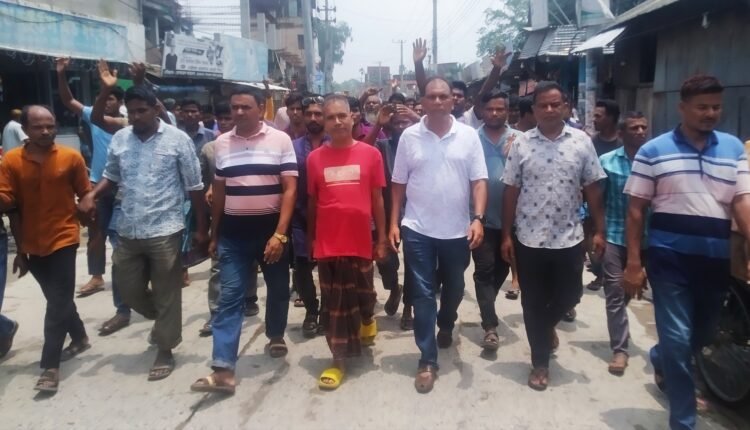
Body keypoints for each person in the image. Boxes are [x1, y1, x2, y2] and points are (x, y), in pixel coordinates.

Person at [623, 75, 750, 430]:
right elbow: (636, 210)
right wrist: (634, 262)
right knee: (679, 340)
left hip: (715, 258)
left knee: (704, 335)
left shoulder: (733, 149)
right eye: (702, 107)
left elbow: (742, 200)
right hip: (669, 258)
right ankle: (683, 420)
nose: (710, 113)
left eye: (716, 107)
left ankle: (660, 355)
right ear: (682, 108)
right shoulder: (653, 150)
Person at [79, 85, 208, 382]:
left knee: (167, 291)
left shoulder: (177, 140)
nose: (136, 117)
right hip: (128, 227)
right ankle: (164, 320)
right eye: (132, 112)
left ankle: (165, 348)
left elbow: (195, 187)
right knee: (128, 288)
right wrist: (92, 195)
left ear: (156, 109)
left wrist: (202, 229)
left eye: (142, 111)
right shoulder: (121, 138)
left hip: (165, 227)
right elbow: (111, 175)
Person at [500, 81, 606, 391]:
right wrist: (506, 235)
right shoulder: (521, 144)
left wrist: (600, 230)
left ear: (566, 107)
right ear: (533, 110)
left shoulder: (582, 142)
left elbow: (592, 188)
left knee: (571, 295)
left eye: (555, 104)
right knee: (532, 301)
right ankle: (540, 363)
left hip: (568, 237)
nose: (549, 110)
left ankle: (544, 327)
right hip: (529, 238)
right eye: (543, 105)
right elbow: (510, 190)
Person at [191, 88, 297, 395]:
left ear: (260, 108)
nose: (238, 112)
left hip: (271, 234)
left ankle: (275, 334)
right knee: (230, 297)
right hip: (233, 236)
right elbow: (219, 191)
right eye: (234, 107)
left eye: (245, 107)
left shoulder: (280, 140)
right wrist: (215, 234)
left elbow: (290, 188)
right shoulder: (221, 143)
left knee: (278, 289)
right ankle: (223, 368)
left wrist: (280, 234)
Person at [390, 77, 488, 393]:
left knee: (455, 286)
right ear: (423, 101)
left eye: (442, 96)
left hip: (457, 230)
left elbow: (479, 181)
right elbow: (398, 183)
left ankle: (446, 323)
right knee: (422, 293)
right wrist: (394, 222)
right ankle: (427, 359)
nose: (436, 101)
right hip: (417, 228)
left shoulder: (469, 136)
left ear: (452, 100)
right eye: (430, 96)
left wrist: (478, 218)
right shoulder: (409, 136)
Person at [0, 105, 92, 392]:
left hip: (64, 237)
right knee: (57, 298)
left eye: (50, 126)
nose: (46, 131)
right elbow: (7, 202)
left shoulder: (70, 157)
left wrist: (87, 204)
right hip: (31, 242)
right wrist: (21, 253)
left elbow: (85, 191)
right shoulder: (11, 161)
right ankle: (80, 337)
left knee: (56, 303)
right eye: (38, 127)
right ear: (25, 130)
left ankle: (50, 367)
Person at [307, 95, 388, 389]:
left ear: (353, 117)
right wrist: (312, 240)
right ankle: (338, 360)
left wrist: (381, 239)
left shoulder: (371, 154)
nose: (337, 122)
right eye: (330, 117)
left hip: (361, 241)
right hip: (328, 244)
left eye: (342, 115)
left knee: (365, 295)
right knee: (335, 305)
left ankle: (367, 318)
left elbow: (378, 200)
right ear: (324, 123)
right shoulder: (314, 159)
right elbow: (313, 202)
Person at [56, 57, 126, 300]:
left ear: (120, 102)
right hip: (98, 184)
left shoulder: (127, 123)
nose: (105, 102)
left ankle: (130, 278)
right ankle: (96, 276)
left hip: (124, 187)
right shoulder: (92, 116)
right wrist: (61, 74)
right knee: (96, 234)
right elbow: (68, 100)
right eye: (102, 98)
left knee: (122, 237)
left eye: (110, 98)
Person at [198, 105, 260, 337]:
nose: (225, 122)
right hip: (221, 214)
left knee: (251, 260)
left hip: (251, 213)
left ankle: (250, 297)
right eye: (222, 118)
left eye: (228, 118)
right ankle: (216, 313)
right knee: (218, 266)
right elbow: (201, 180)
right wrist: (209, 190)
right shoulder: (210, 149)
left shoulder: (252, 146)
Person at [472, 90, 524, 351]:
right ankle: (490, 326)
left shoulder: (521, 140)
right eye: (489, 109)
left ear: (508, 111)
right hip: (479, 218)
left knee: (501, 268)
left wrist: (513, 156)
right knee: (484, 270)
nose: (494, 113)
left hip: (513, 220)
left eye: (499, 109)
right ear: (482, 111)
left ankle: (486, 304)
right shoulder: (471, 138)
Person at [598, 111, 649, 376]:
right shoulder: (607, 162)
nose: (640, 132)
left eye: (643, 127)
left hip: (650, 239)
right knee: (615, 291)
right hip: (615, 235)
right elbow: (596, 201)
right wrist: (595, 233)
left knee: (633, 291)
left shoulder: (655, 161)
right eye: (634, 128)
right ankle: (620, 348)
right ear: (621, 133)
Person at [366, 103, 419, 330]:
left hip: (418, 214)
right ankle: (394, 287)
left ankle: (408, 307)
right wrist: (378, 124)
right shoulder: (383, 146)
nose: (401, 127)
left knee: (414, 264)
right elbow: (362, 150)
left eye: (405, 122)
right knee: (386, 261)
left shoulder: (422, 145)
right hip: (389, 214)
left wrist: (419, 118)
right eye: (396, 123)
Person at [292, 95, 330, 337]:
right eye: (309, 114)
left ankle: (326, 310)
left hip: (329, 217)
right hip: (300, 216)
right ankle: (311, 310)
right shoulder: (293, 146)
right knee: (301, 268)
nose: (313, 118)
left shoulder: (335, 144)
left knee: (328, 268)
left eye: (318, 114)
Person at [584, 100, 623, 293]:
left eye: (598, 116)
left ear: (611, 118)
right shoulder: (591, 143)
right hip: (592, 200)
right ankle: (600, 272)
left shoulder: (622, 144)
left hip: (617, 202)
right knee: (589, 237)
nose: (594, 119)